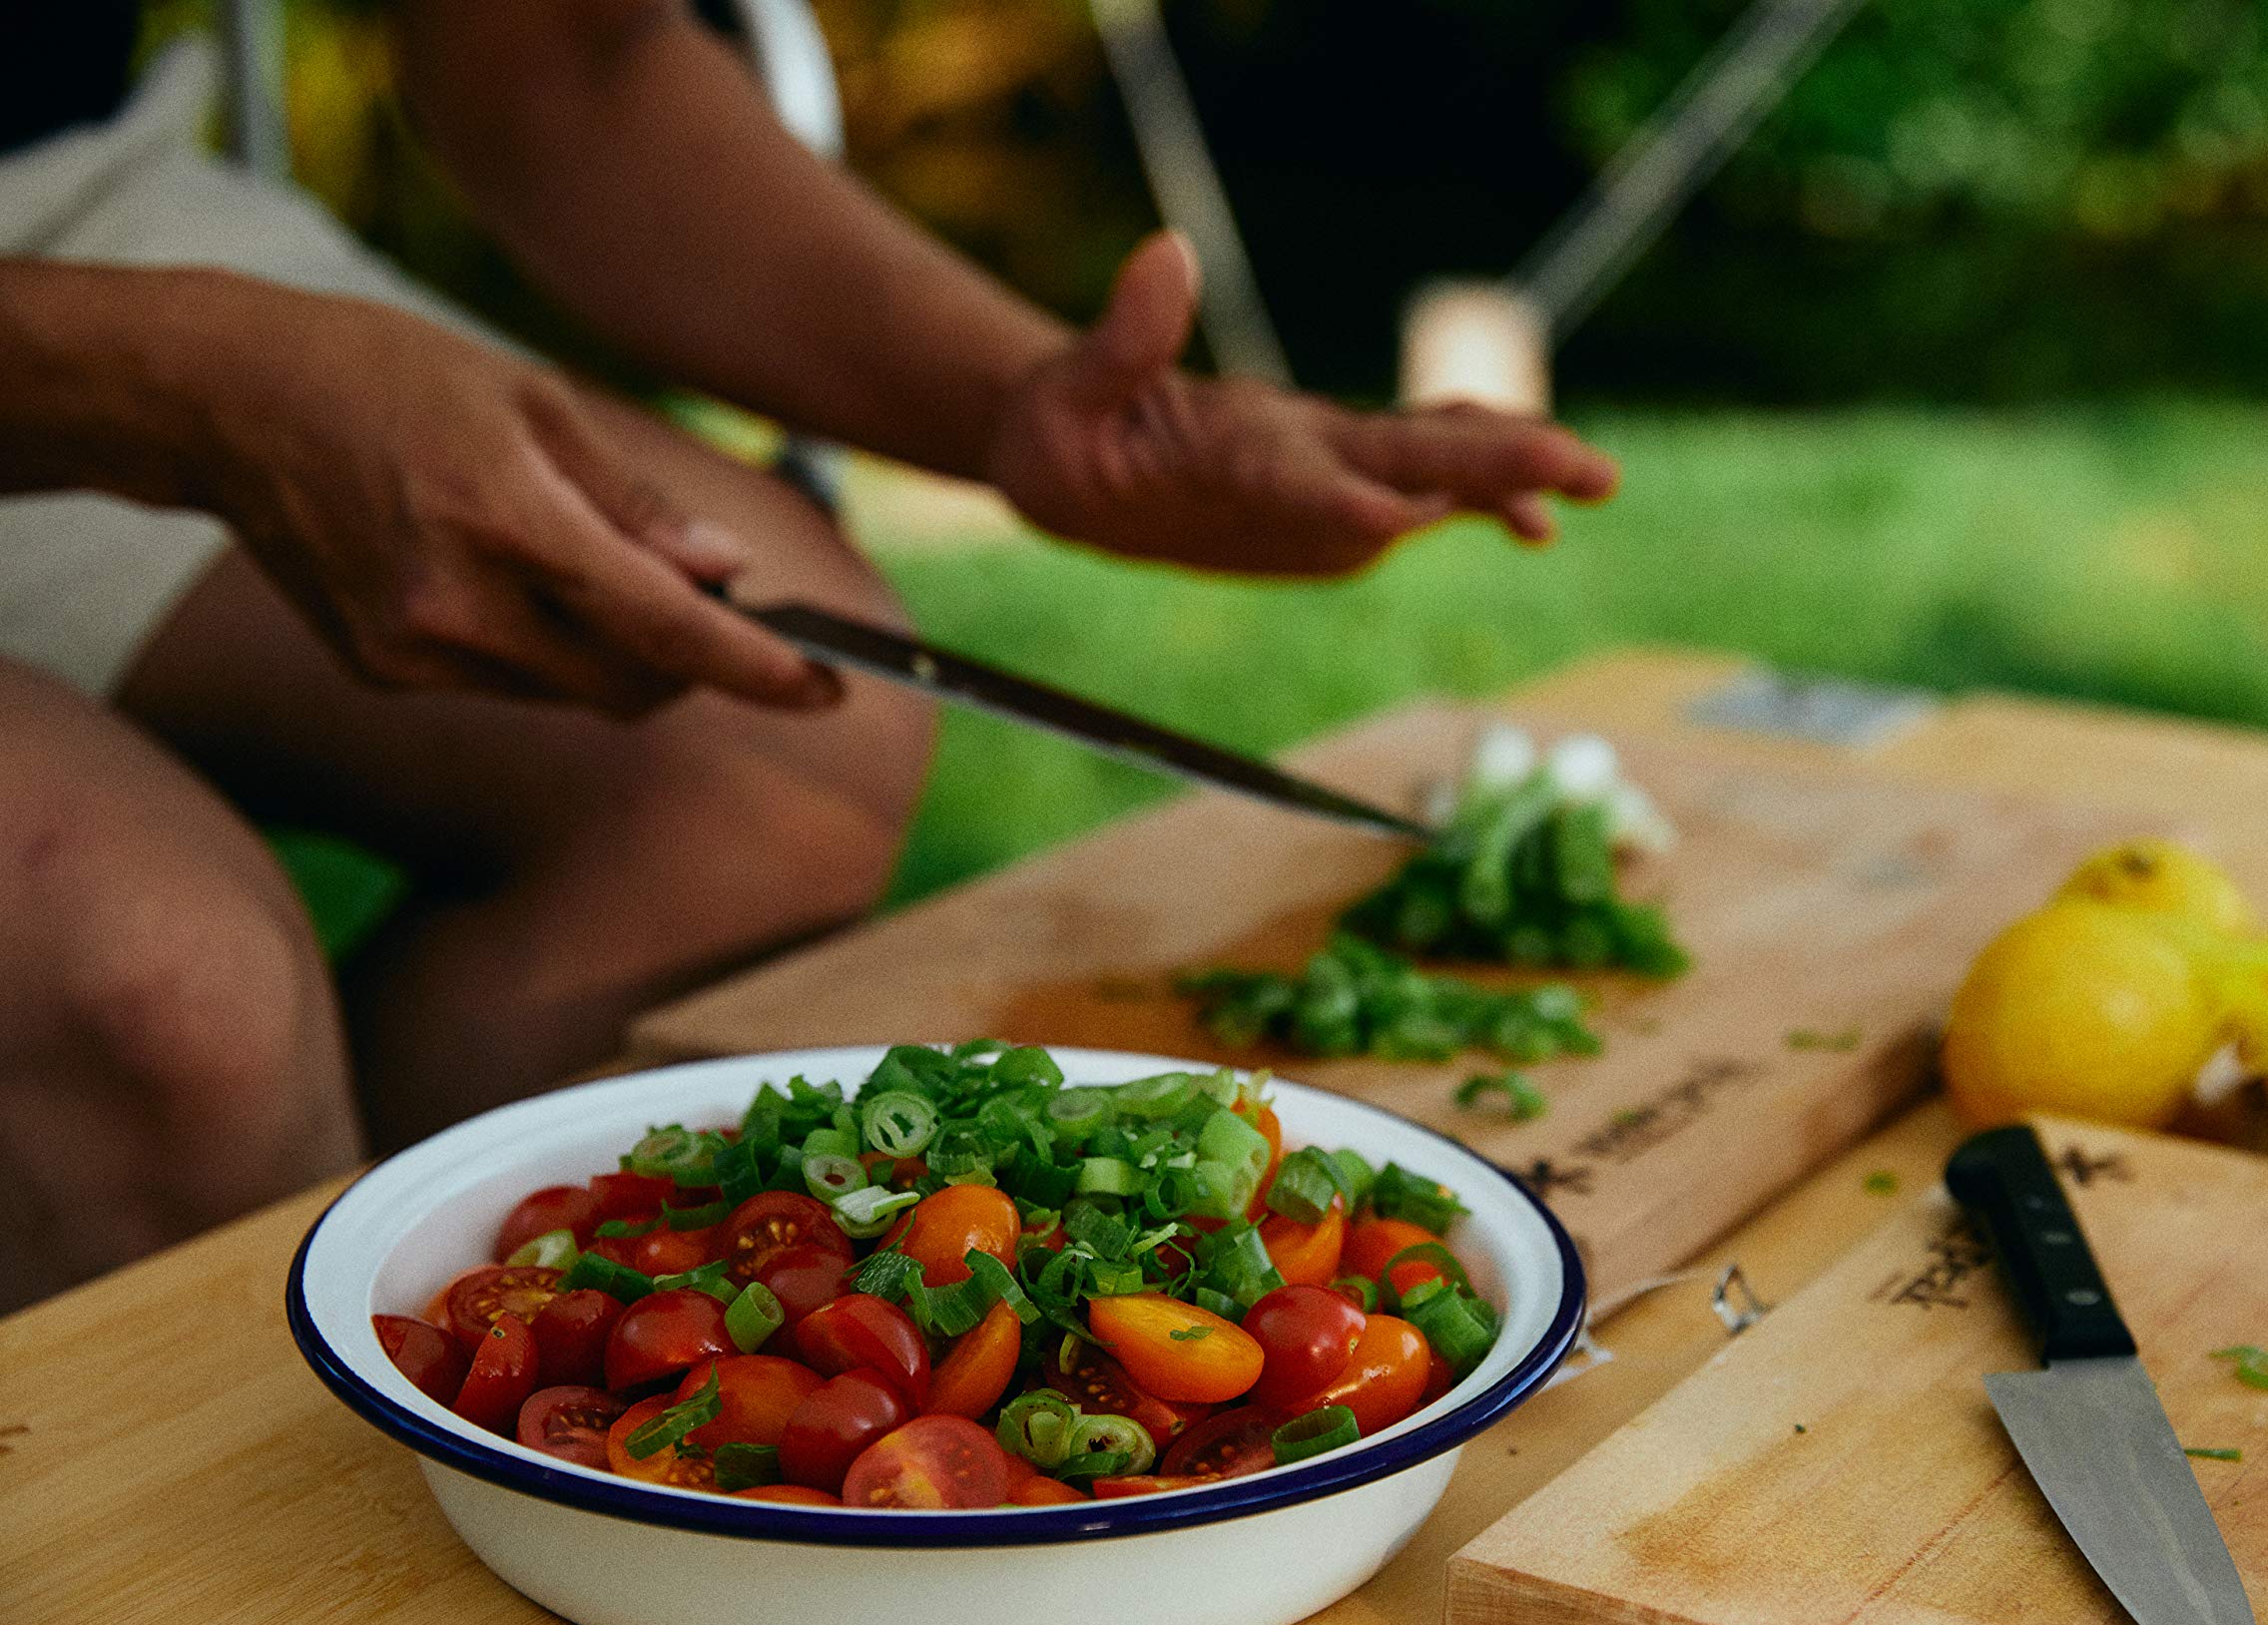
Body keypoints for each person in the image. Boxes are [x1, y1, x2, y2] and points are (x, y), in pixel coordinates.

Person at [0, 4, 1618, 1311]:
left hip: (51, 191)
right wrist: (173, 387)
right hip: (81, 328)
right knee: (159, 983)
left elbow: (564, 51)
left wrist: (1019, 407)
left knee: (779, 748)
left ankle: (519, 1362)